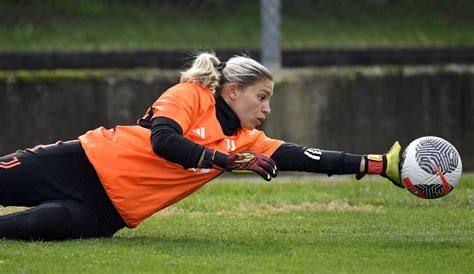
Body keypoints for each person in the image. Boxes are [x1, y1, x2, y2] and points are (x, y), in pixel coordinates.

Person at [0, 52, 403, 241]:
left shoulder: (251, 140)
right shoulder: (191, 94)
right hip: (82, 162)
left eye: (269, 100)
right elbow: (164, 141)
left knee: (28, 227)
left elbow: (307, 157)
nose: (267, 109)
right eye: (261, 97)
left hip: (107, 214)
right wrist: (224, 160)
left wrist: (377, 164)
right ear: (232, 90)